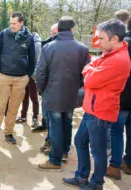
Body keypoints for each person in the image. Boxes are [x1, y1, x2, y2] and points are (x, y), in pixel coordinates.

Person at [62, 19, 131, 190]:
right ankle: (82, 177)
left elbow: (90, 79)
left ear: (115, 38)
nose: (98, 42)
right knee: (80, 141)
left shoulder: (118, 59)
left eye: (101, 39)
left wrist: (90, 71)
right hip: (92, 109)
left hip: (101, 111)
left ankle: (96, 183)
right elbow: (88, 66)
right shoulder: (110, 54)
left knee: (98, 152)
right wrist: (91, 69)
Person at [36, 16, 90, 171]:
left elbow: (40, 73)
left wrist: (42, 90)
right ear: (72, 29)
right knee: (67, 123)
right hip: (71, 94)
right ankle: (65, 152)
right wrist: (76, 86)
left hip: (53, 94)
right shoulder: (82, 48)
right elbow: (86, 74)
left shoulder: (48, 47)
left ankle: (55, 160)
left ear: (58, 29)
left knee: (55, 127)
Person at [0, 12, 35, 151]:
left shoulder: (28, 37)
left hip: (21, 79)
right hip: (4, 77)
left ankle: (8, 133)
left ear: (21, 23)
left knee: (13, 108)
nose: (11, 26)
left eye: (14, 23)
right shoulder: (4, 34)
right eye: (11, 23)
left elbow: (32, 58)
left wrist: (27, 76)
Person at [106, 17, 131, 179]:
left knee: (116, 131)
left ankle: (114, 166)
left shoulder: (124, 45)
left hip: (123, 97)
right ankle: (128, 162)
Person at [38, 23, 58, 155]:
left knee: (57, 121)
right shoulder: (46, 46)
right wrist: (41, 89)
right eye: (52, 32)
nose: (53, 35)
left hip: (60, 92)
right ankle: (49, 140)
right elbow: (40, 71)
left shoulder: (73, 48)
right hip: (47, 90)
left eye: (55, 32)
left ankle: (57, 148)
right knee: (47, 117)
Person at [15, 31, 41, 130]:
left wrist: (34, 75)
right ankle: (23, 116)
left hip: (32, 75)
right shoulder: (27, 42)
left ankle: (35, 118)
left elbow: (37, 61)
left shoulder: (37, 44)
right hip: (24, 74)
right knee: (24, 96)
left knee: (33, 97)